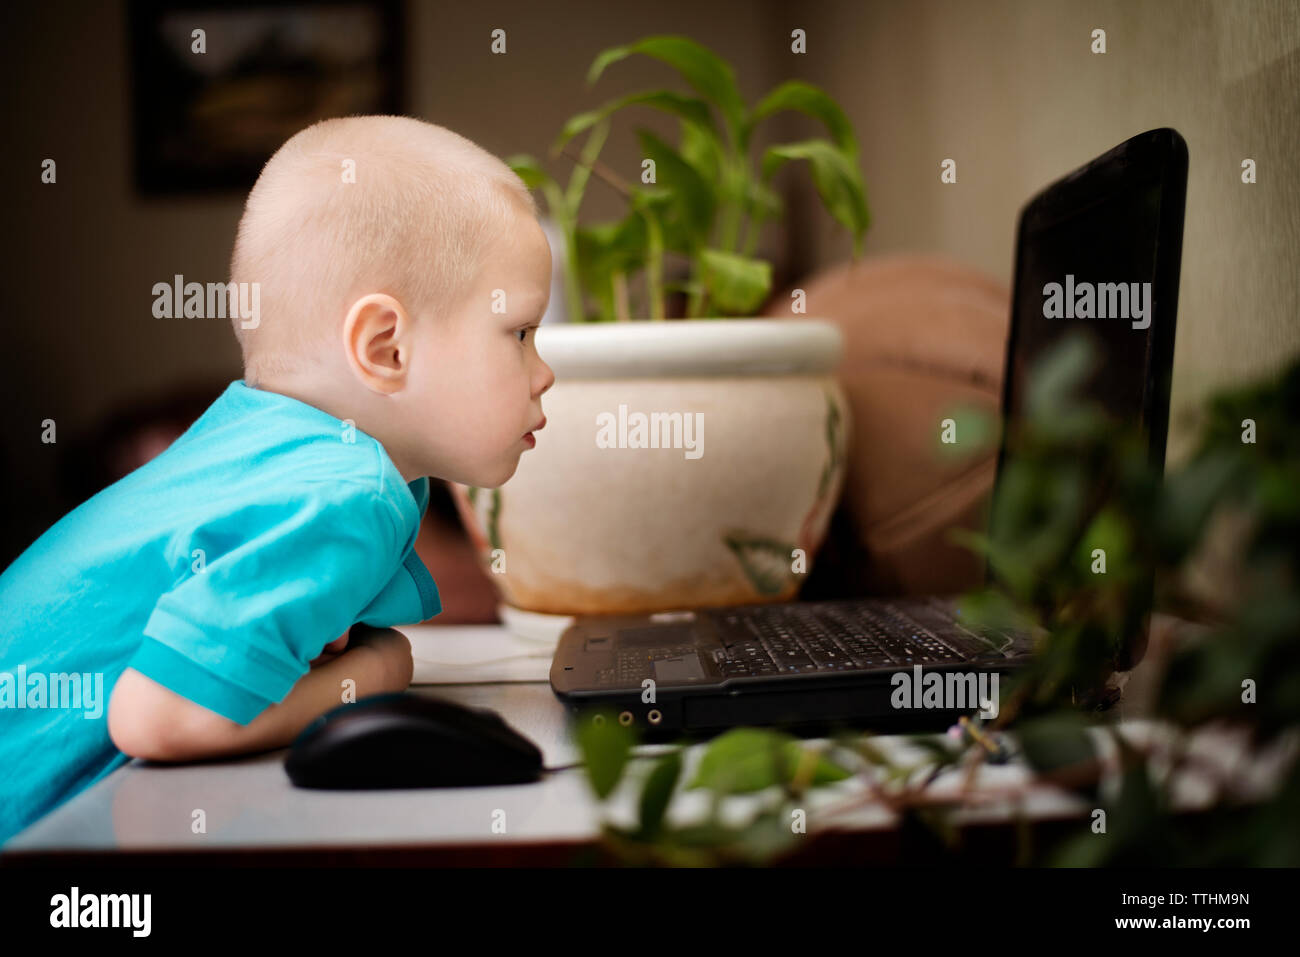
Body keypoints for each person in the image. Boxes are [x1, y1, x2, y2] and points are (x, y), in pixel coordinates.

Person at [0, 115, 555, 844]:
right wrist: (381, 669)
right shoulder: (343, 493)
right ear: (386, 347)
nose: (544, 373)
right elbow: (160, 716)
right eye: (519, 333)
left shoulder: (270, 447)